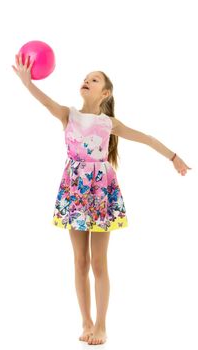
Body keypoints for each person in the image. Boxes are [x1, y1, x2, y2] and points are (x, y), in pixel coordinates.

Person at [12, 53, 192, 345]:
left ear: (105, 93)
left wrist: (174, 157)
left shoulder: (109, 123)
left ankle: (102, 325)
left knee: (99, 262)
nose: (87, 80)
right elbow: (45, 101)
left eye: (94, 79)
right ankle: (85, 321)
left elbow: (145, 137)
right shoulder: (68, 114)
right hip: (75, 192)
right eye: (86, 77)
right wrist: (26, 81)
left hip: (101, 194)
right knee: (80, 261)